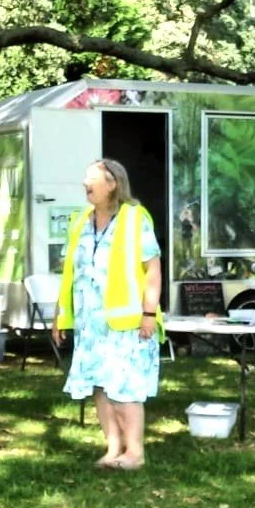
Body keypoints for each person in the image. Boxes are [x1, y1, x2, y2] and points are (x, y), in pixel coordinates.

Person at [55, 159, 163, 470]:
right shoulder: (80, 222)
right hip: (91, 323)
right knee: (100, 386)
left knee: (125, 388)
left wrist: (148, 313)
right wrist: (61, 317)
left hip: (126, 322)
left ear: (113, 183)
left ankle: (135, 452)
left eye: (91, 178)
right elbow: (70, 274)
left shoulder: (134, 218)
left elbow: (152, 270)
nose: (85, 184)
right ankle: (113, 447)